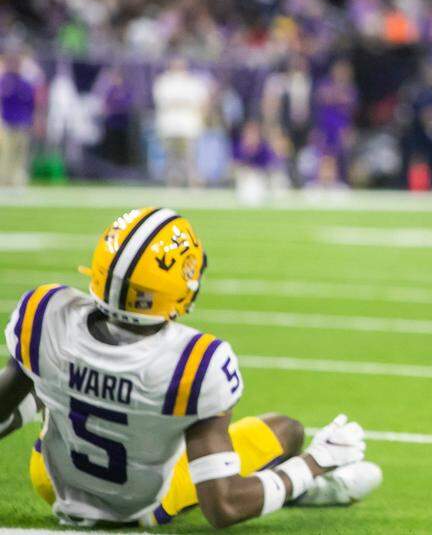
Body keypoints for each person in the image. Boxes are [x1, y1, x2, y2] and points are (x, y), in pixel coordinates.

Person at [0, 208, 381, 528]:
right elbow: (223, 505)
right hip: (138, 504)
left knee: (41, 371)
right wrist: (314, 463)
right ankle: (309, 490)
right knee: (287, 432)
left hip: (50, 478)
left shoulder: (45, 313)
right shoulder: (194, 362)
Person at [152, 59, 211, 187]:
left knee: (190, 156)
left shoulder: (193, 82)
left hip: (189, 126)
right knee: (172, 157)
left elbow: (203, 102)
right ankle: (173, 183)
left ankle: (193, 182)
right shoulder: (164, 82)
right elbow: (163, 101)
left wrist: (202, 118)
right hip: (170, 126)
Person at [0, 50, 38, 187]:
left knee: (20, 155)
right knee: (6, 154)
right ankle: (4, 181)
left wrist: (33, 121)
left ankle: (18, 180)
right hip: (7, 124)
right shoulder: (4, 81)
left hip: (22, 124)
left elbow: (32, 104)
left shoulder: (24, 83)